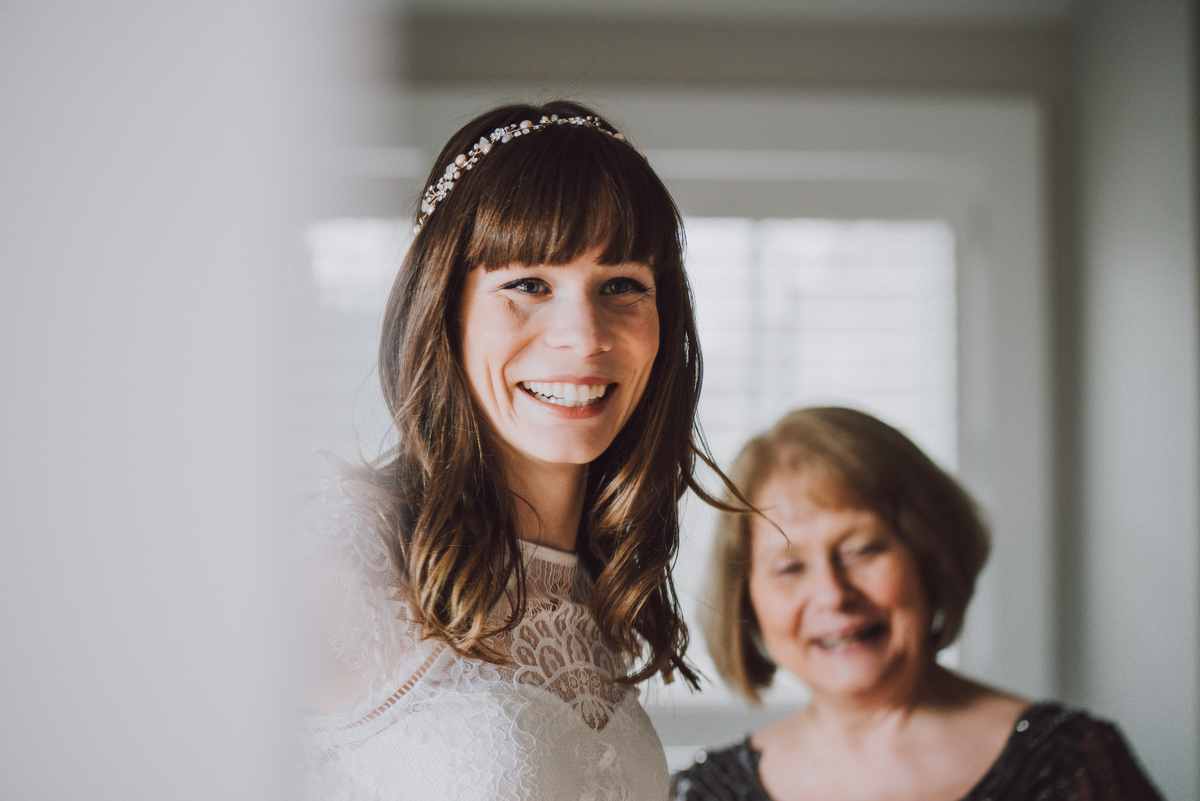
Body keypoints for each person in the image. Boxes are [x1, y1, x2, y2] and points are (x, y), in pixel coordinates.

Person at [299, 100, 732, 800]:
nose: (584, 334)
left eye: (621, 285)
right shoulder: (338, 557)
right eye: (528, 284)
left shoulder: (604, 589)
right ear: (445, 309)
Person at [671, 407, 1163, 801]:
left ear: (930, 554)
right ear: (748, 601)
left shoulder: (1071, 762)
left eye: (863, 550)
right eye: (790, 568)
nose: (833, 595)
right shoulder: (709, 793)